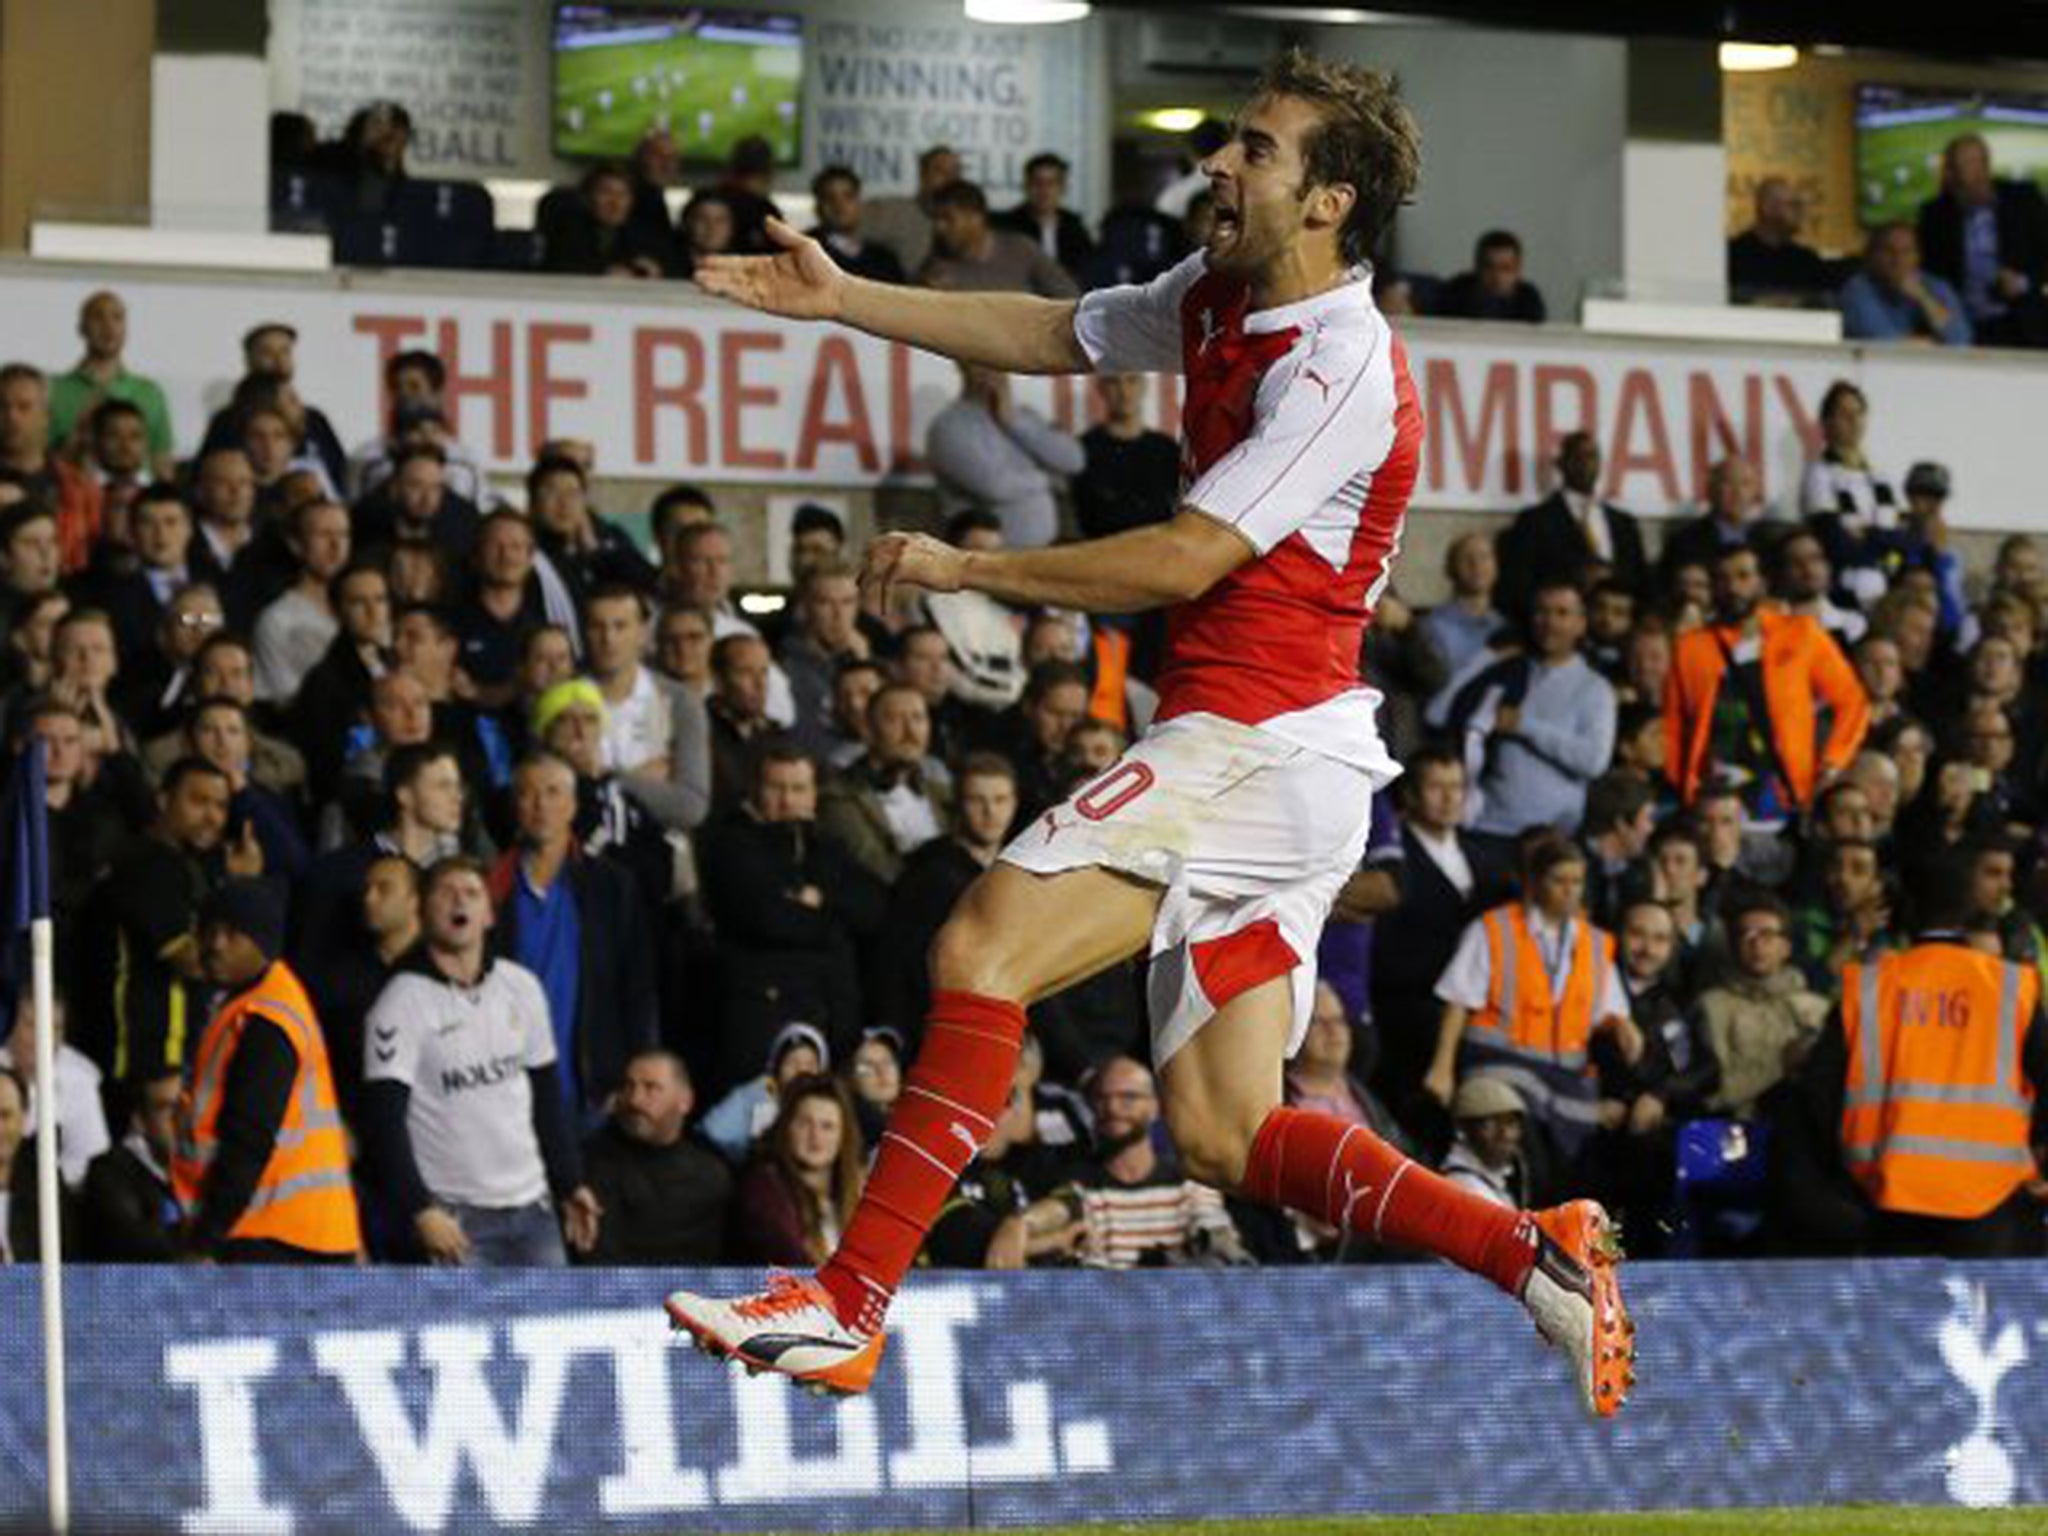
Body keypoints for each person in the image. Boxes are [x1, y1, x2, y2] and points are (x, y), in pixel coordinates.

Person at [672, 48, 1633, 1416]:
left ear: (1327, 201)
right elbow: (1053, 331)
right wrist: (844, 300)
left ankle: (847, 1302)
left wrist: (971, 569)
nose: (1218, 165)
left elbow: (1188, 560)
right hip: (1272, 756)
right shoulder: (1218, 295)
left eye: (1254, 149)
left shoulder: (1345, 364)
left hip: (1260, 746)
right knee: (1225, 1131)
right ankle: (1527, 1248)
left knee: (979, 945)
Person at [1782, 855, 2048, 1256]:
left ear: (1903, 908)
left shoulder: (1869, 987)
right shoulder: (2013, 987)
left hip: (1887, 1200)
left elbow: (1819, 1091)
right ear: (1969, 909)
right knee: (1977, 1317)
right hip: (1988, 1202)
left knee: (1899, 1318)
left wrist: (1842, 1179)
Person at [360, 856, 600, 1266]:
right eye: (446, 892)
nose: (460, 902)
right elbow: (384, 1121)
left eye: (472, 893)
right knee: (464, 1333)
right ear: (422, 910)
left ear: (489, 914)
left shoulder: (521, 987)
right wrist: (420, 1208)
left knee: (545, 1330)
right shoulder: (399, 1001)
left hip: (532, 1209)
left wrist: (569, 1181)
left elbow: (545, 1096)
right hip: (455, 1220)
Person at [166, 879, 362, 1263]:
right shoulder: (252, 1001)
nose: (216, 943)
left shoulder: (269, 1016)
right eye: (209, 930)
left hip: (276, 1238)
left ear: (263, 941)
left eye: (233, 932)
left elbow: (249, 1136)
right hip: (288, 1233)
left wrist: (205, 1239)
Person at [1424, 833, 1632, 1178]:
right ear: (1534, 883)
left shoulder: (1594, 943)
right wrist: (1442, 1068)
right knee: (1534, 1147)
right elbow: (1457, 1000)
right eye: (1559, 880)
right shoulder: (1494, 929)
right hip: (1498, 1066)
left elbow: (1609, 1012)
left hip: (1565, 1077)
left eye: (1577, 881)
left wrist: (1625, 1027)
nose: (1569, 890)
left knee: (1592, 1159)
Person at [487, 752, 659, 1122]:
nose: (541, 805)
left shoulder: (611, 886)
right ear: (514, 805)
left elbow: (637, 985)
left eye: (553, 792)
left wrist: (637, 1074)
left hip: (594, 1092)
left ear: (572, 805)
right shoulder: (490, 888)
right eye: (528, 794)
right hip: (509, 1094)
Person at [1664, 542, 1870, 820]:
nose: (1733, 587)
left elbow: (1852, 701)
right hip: (1714, 804)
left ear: (1762, 583)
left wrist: (1832, 764)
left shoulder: (1801, 634)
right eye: (1722, 578)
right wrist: (1684, 792)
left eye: (1743, 576)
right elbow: (1675, 728)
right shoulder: (1689, 648)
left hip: (1788, 796)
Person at [1450, 582, 1617, 837]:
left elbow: (1593, 760)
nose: (1550, 622)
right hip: (1487, 826)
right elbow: (1443, 716)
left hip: (1551, 839)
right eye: (1542, 612)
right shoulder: (1507, 672)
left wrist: (1524, 725)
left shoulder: (1595, 688)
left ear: (1581, 624)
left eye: (1562, 613)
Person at [580, 1051, 732, 1266]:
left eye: (651, 1088)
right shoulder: (593, 1161)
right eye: (629, 1086)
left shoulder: (713, 1172)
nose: (635, 1100)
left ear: (685, 1101)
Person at [1695, 895, 1830, 1121]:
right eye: (1746, 935)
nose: (1756, 943)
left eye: (1767, 934)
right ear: (1733, 946)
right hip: (1738, 1133)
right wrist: (1780, 1063)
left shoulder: (1817, 1008)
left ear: (1786, 947)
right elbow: (1712, 1091)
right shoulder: (1711, 1007)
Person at [927, 363, 1086, 549]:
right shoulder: (948, 426)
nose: (992, 368)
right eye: (980, 359)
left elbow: (1074, 461)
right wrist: (1048, 478)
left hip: (1043, 549)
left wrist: (1012, 421)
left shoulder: (1023, 415)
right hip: (987, 557)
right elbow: (996, 487)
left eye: (996, 358)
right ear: (963, 366)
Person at [1915, 132, 2048, 348]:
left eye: (1965, 165)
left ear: (1985, 166)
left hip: (2022, 324)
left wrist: (2023, 282)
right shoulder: (1935, 214)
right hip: (1962, 325)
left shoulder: (2025, 200)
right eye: (1952, 167)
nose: (1956, 175)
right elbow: (1928, 275)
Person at [1495, 431, 1648, 618]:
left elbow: (1641, 583)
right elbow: (1519, 584)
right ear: (1560, 464)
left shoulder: (1625, 525)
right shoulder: (1533, 522)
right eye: (1577, 456)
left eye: (1592, 456)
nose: (1586, 463)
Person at [817, 683, 952, 885]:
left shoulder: (945, 795)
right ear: (869, 730)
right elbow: (875, 870)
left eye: (918, 718)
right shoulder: (839, 796)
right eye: (894, 719)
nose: (911, 731)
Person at [730, 1073, 866, 1266]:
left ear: (843, 1136)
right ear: (786, 1127)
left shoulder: (856, 1193)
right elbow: (789, 1257)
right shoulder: (763, 1188)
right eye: (804, 1123)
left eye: (827, 1126)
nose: (815, 1136)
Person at [46, 291, 174, 472]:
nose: (109, 327)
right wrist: (78, 435)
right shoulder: (53, 391)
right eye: (98, 317)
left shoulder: (150, 393)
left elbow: (162, 463)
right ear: (82, 328)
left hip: (138, 497)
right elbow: (41, 461)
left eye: (117, 318)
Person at [0, 363, 102, 574]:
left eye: (24, 407)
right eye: (2, 407)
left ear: (46, 416)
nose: (11, 417)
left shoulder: (81, 489)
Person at [80, 1070, 181, 1261]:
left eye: (184, 1106)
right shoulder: (108, 1173)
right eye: (166, 1108)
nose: (179, 1117)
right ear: (139, 1120)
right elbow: (137, 1248)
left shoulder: (206, 1170)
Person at [920, 180, 1078, 299]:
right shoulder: (935, 265)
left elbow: (1069, 296)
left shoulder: (1022, 250)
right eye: (936, 219)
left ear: (975, 218)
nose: (938, 227)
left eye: (948, 219)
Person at [1072, 373, 1180, 543]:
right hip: (1099, 556)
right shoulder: (1081, 450)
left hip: (1159, 556)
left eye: (1132, 380)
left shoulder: (1167, 449)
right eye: (1114, 382)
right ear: (1101, 388)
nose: (1124, 391)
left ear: (1144, 386)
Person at [1840, 223, 1971, 346]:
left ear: (1917, 256)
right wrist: (1937, 344)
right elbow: (1883, 343)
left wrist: (1923, 297)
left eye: (1907, 251)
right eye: (1889, 251)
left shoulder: (1934, 285)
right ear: (1872, 255)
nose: (1898, 259)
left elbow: (1960, 339)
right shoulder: (1857, 289)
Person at [992, 152, 1096, 282]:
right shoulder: (1008, 227)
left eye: (1051, 183)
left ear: (1063, 188)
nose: (1044, 190)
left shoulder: (1075, 228)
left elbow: (1087, 269)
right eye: (1037, 182)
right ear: (1026, 186)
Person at [1726, 177, 1831, 305]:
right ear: (1767, 208)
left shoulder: (1806, 260)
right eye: (1793, 205)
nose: (1801, 212)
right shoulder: (1733, 255)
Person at [1441, 1075, 1531, 1209]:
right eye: (1490, 1124)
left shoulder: (1499, 1181)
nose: (1505, 1135)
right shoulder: (1463, 1185)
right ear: (1463, 1129)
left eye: (1511, 1123)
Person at [807, 165, 906, 284]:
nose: (839, 205)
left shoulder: (884, 260)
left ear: (860, 203)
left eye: (848, 196)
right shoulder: (805, 253)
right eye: (829, 197)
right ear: (818, 207)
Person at [1432, 230, 1546, 322]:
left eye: (1506, 269)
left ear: (1518, 270)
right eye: (1489, 267)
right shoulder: (1456, 292)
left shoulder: (1529, 298)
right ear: (1477, 267)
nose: (1497, 276)